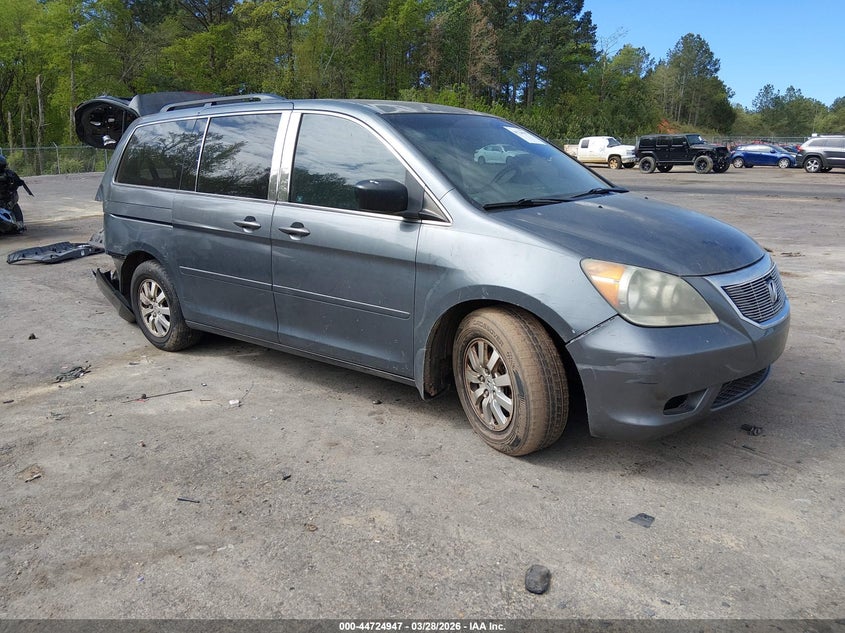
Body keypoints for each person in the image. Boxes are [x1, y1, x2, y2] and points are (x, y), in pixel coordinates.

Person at [0, 154, 28, 230]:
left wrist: (10, 189)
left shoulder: (9, 174)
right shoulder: (8, 173)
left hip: (6, 198)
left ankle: (19, 224)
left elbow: (17, 183)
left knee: (13, 203)